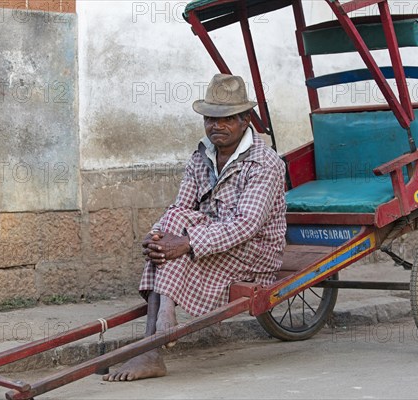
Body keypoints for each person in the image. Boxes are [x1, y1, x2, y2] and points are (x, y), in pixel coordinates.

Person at [104, 74, 286, 382]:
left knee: (180, 243)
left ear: (244, 121)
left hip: (255, 251)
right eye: (210, 119)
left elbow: (246, 225)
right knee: (172, 227)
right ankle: (161, 321)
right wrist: (157, 234)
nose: (216, 126)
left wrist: (187, 243)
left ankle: (154, 339)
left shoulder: (264, 163)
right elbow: (181, 207)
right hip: (213, 240)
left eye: (226, 119)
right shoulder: (202, 155)